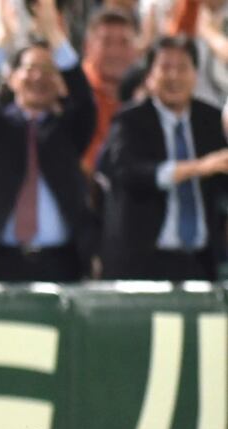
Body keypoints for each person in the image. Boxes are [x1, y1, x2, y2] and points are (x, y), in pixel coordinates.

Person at [0, 0, 97, 282]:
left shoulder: (68, 130)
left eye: (49, 70)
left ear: (60, 83)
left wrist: (55, 36)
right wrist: (2, 42)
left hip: (60, 264)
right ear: (11, 78)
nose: (38, 77)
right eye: (31, 68)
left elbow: (85, 101)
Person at [99, 36, 228, 280]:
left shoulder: (212, 121)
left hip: (201, 263)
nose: (174, 76)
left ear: (195, 75)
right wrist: (196, 168)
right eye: (165, 68)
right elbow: (128, 173)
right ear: (149, 76)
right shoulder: (129, 121)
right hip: (144, 263)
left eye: (182, 68)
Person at [81, 8, 140, 174]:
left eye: (124, 43)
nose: (115, 52)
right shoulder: (70, 94)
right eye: (106, 42)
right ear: (87, 47)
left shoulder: (147, 96)